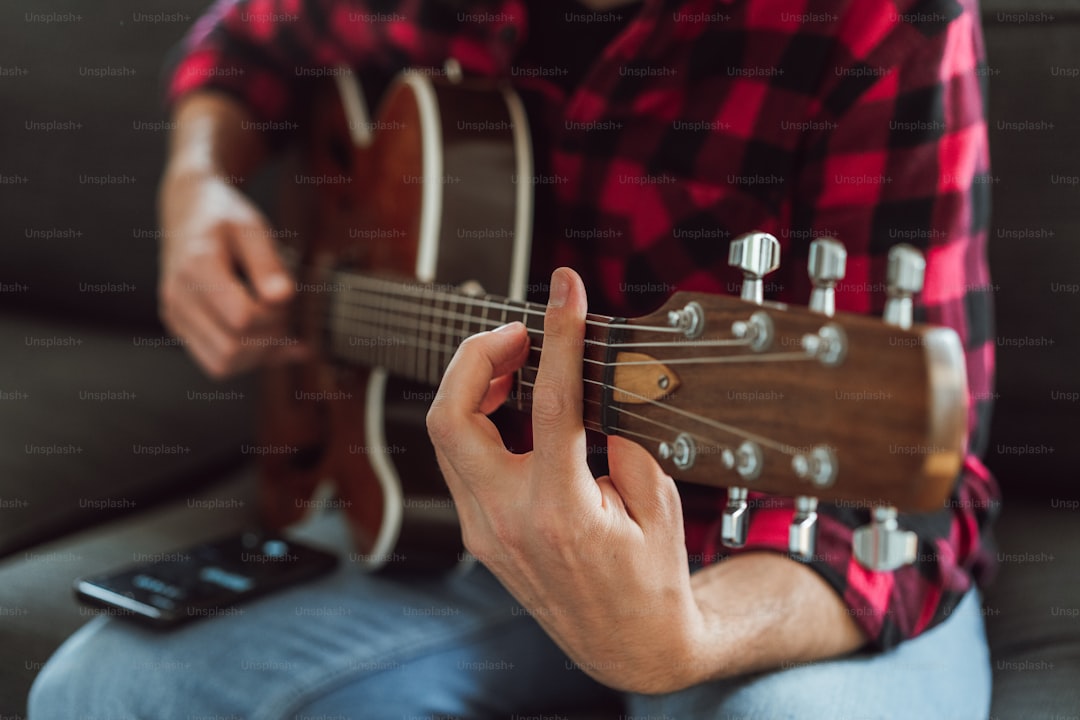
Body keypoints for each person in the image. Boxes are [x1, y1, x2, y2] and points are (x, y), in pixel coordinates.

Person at [30, 0, 999, 717]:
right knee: (101, 690)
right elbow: (241, 45)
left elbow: (916, 504)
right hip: (448, 522)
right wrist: (197, 185)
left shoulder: (882, 20)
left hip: (754, 555)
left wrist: (686, 636)